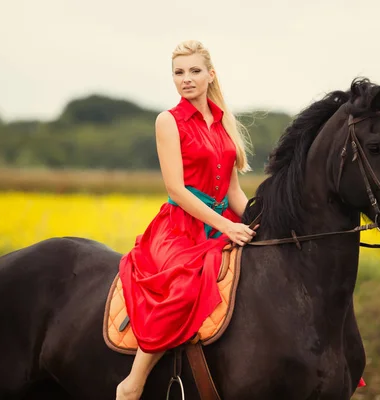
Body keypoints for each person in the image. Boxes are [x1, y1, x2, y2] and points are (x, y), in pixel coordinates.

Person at [116, 39, 258, 400]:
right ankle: (132, 384)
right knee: (182, 286)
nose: (187, 79)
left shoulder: (224, 121)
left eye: (195, 71)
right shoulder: (168, 121)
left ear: (210, 75)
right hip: (180, 226)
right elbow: (177, 190)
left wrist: (260, 219)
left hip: (222, 218)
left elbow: (234, 192)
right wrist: (227, 226)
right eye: (179, 73)